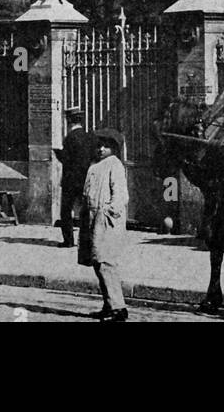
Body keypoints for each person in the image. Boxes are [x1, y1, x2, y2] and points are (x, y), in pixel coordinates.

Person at [78, 128, 129, 323]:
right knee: (97, 262)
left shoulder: (114, 165)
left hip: (106, 220)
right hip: (92, 217)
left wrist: (109, 212)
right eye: (99, 145)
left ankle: (118, 307)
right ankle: (108, 304)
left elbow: (121, 194)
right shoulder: (94, 165)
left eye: (106, 146)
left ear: (113, 149)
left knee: (106, 262)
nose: (101, 149)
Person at [55, 107, 92, 247]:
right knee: (85, 211)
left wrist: (58, 154)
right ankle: (85, 240)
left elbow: (66, 159)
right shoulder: (88, 136)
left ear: (69, 121)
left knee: (66, 210)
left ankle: (68, 240)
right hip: (84, 179)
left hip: (70, 180)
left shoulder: (70, 138)